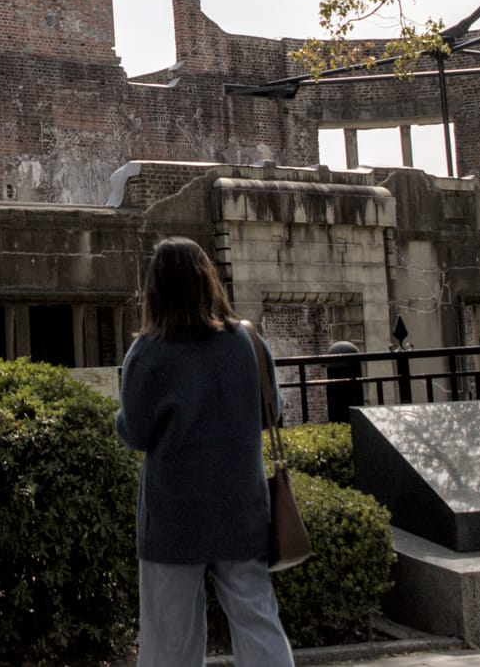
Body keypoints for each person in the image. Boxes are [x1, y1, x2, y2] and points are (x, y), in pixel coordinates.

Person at [116, 237, 295, 667]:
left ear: (155, 287)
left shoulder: (148, 351)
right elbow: (272, 412)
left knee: (169, 638)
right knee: (257, 620)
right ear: (207, 279)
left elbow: (135, 432)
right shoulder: (246, 342)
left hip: (172, 514)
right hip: (240, 505)